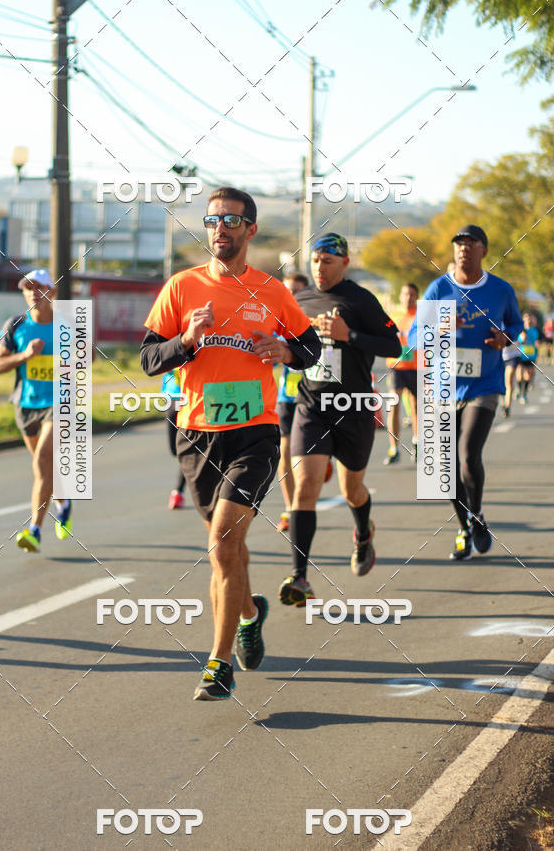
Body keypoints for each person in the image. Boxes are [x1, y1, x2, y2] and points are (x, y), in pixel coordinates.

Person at [140, 187, 321, 700]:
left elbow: (309, 346)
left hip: (255, 433)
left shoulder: (271, 290)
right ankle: (248, 613)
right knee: (229, 551)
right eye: (212, 219)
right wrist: (186, 342)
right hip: (197, 433)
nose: (220, 228)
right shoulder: (181, 287)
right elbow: (149, 359)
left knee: (221, 541)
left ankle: (218, 665)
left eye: (231, 220)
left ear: (250, 230)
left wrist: (285, 349)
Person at [278, 233, 401, 607]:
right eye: (315, 260)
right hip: (312, 407)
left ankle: (363, 532)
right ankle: (300, 577)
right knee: (305, 486)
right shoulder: (298, 301)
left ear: (344, 263)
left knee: (352, 491)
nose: (320, 267)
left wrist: (351, 335)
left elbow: (394, 346)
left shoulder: (360, 299)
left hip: (355, 408)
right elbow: (286, 342)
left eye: (328, 260)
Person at [409, 225, 523, 561]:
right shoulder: (438, 289)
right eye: (459, 244)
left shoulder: (500, 290)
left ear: (484, 251)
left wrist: (507, 338)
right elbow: (415, 336)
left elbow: (517, 326)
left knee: (468, 455)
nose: (464, 249)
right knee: (444, 467)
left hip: (484, 384)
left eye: (471, 244)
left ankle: (476, 514)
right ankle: (467, 525)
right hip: (442, 385)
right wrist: (440, 327)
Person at [0, 269, 72, 553]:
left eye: (39, 289)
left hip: (58, 405)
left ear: (52, 292)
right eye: (28, 289)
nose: (33, 294)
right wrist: (26, 355)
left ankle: (35, 529)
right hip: (26, 406)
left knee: (42, 461)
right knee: (45, 468)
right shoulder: (16, 326)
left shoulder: (67, 325)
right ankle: (63, 501)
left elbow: (86, 360)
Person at [275, 271, 309, 532]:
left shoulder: (314, 320)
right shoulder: (278, 321)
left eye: (297, 290)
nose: (292, 295)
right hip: (288, 397)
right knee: (284, 455)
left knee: (307, 460)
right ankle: (290, 508)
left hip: (315, 398)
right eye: (288, 290)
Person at [383, 283, 419, 464]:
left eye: (412, 294)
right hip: (396, 366)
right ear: (400, 296)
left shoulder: (420, 316)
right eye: (405, 294)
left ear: (416, 297)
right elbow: (384, 333)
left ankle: (417, 443)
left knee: (415, 409)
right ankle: (394, 448)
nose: (408, 297)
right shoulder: (393, 316)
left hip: (416, 367)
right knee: (393, 406)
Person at [162, 368, 188, 509]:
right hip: (172, 396)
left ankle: (178, 492)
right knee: (175, 450)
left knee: (187, 449)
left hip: (191, 397)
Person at [515, 311, 540, 403]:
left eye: (530, 318)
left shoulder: (534, 330)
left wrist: (537, 348)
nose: (528, 320)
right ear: (523, 319)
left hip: (531, 356)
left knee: (528, 376)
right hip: (520, 355)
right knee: (519, 375)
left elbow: (536, 342)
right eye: (526, 318)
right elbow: (517, 341)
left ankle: (524, 394)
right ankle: (518, 389)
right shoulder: (520, 330)